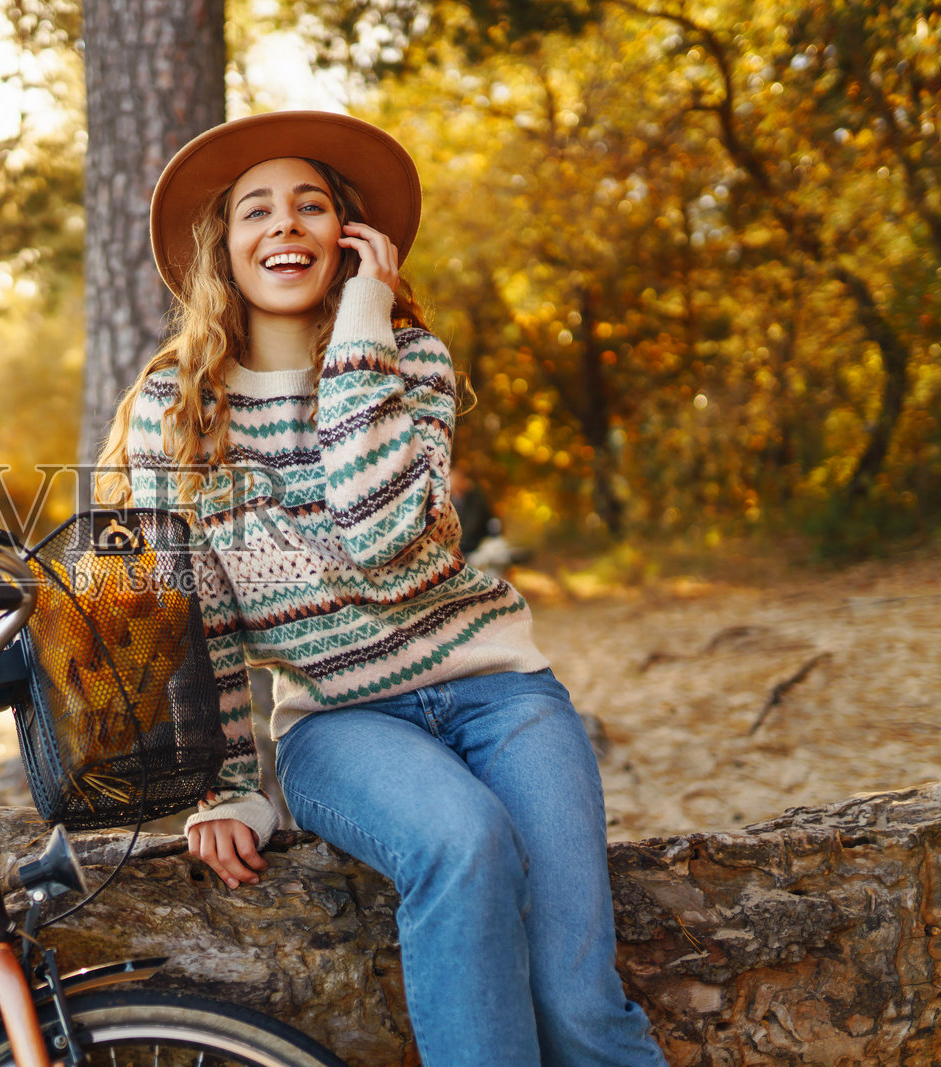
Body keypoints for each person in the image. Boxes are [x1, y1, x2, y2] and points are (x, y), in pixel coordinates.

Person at [93, 111, 667, 1067]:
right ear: (222, 252)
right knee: (464, 839)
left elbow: (391, 547)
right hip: (339, 723)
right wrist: (229, 789)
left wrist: (365, 323)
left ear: (353, 239)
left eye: (312, 205)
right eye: (257, 211)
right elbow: (199, 619)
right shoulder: (176, 413)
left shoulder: (416, 363)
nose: (286, 225)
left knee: (578, 1003)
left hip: (503, 695)